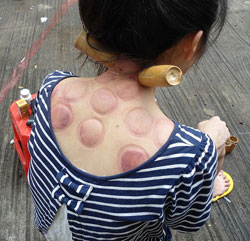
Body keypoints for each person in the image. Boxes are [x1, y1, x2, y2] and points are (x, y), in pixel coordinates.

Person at [28, 0, 230, 240]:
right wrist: (213, 151)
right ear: (191, 44)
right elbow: (188, 221)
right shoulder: (189, 155)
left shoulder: (51, 87)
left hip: (52, 227)